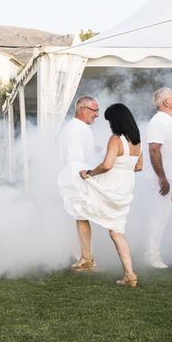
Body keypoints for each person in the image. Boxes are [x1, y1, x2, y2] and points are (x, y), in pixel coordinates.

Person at [59, 103, 143, 287]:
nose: (109, 124)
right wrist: (124, 169)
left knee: (79, 204)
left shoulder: (116, 139)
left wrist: (89, 173)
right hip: (125, 189)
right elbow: (138, 166)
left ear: (116, 121)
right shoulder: (137, 141)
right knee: (117, 231)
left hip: (109, 187)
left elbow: (106, 165)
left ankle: (86, 257)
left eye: (110, 120)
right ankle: (130, 274)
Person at [145, 87, 172, 268]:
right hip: (165, 179)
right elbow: (153, 150)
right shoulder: (158, 121)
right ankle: (152, 255)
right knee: (159, 216)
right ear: (166, 102)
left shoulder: (171, 120)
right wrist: (162, 178)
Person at [55, 95, 99, 171]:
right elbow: (75, 164)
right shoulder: (75, 129)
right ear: (83, 110)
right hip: (73, 180)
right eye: (95, 110)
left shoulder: (79, 127)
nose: (97, 115)